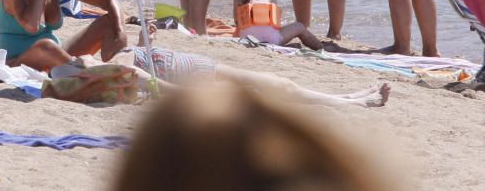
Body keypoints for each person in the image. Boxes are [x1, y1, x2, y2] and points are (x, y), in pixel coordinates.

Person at [114, 84, 396, 191]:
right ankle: (350, 100)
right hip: (191, 72)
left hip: (186, 71)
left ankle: (348, 97)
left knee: (276, 89)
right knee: (276, 89)